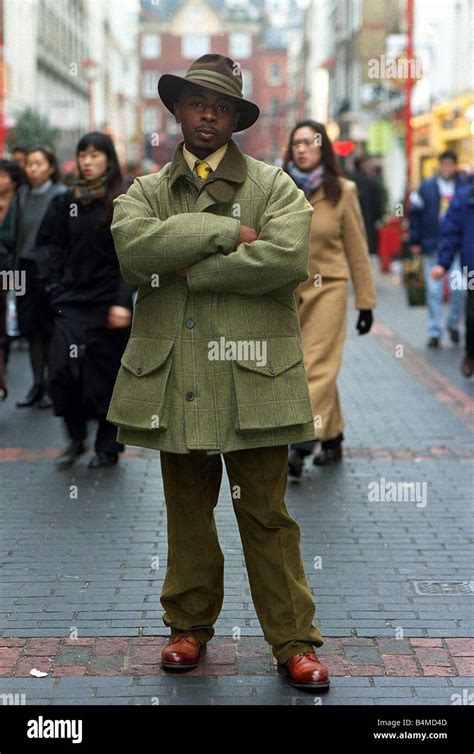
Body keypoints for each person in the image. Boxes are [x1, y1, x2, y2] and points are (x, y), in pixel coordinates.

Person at [106, 54, 330, 691]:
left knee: (267, 515)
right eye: (197, 102)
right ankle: (188, 627)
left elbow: (285, 260)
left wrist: (186, 260)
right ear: (176, 110)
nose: (208, 114)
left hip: (256, 380)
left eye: (222, 106)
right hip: (179, 378)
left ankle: (294, 642)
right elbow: (134, 254)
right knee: (186, 512)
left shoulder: (275, 185)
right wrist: (228, 233)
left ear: (236, 119)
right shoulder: (145, 192)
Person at [284, 120, 376, 472]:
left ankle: (302, 441)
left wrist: (365, 302)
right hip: (291, 293)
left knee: (315, 366)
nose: (302, 149)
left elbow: (357, 248)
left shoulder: (343, 190)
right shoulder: (280, 188)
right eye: (296, 144)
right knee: (308, 365)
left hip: (329, 290)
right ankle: (333, 438)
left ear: (323, 148)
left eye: (309, 142)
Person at [47, 132, 134, 470]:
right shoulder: (66, 201)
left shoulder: (122, 201)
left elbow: (131, 258)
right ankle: (75, 436)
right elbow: (50, 245)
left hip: (108, 302)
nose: (87, 161)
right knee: (62, 372)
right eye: (83, 154)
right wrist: (54, 287)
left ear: (108, 161)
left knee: (104, 376)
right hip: (70, 301)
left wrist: (122, 301)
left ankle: (107, 445)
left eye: (95, 155)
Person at [12, 145, 66, 408]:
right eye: (29, 164)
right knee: (29, 327)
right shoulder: (21, 194)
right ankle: (37, 384)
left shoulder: (61, 195)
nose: (33, 169)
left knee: (50, 328)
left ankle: (53, 386)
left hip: (49, 271)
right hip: (22, 269)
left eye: (39, 163)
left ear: (51, 168)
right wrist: (9, 280)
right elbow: (15, 236)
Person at [408, 150, 465, 347]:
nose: (447, 168)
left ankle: (453, 324)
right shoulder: (426, 187)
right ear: (440, 165)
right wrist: (415, 240)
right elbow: (414, 213)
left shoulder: (463, 186)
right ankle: (435, 331)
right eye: (444, 164)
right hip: (433, 245)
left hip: (458, 247)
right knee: (434, 291)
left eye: (451, 164)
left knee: (459, 288)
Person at [431, 176, 474, 377]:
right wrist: (443, 263)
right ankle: (471, 352)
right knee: (473, 317)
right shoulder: (465, 198)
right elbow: (451, 233)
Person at [0, 159, 24, 400]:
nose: (1, 180)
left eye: (5, 175)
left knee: (8, 315)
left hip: (12, 269)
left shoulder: (21, 202)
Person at [349, 155, 385, 255]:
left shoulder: (347, 181)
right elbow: (377, 204)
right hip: (367, 224)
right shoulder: (370, 182)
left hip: (350, 224)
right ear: (362, 165)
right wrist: (380, 218)